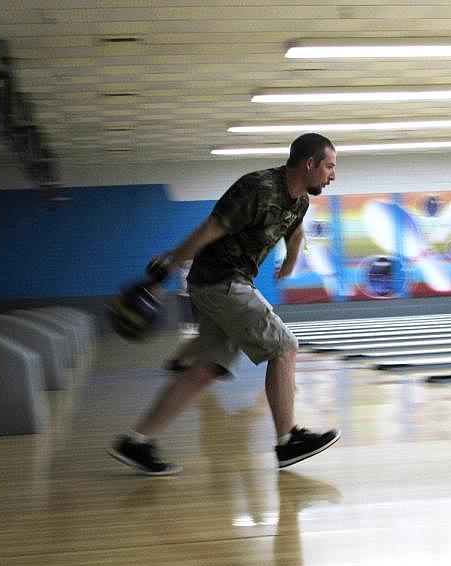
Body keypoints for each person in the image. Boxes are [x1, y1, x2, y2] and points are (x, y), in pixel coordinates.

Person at [109, 133, 340, 475]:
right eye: (330, 166)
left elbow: (295, 230)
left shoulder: (300, 201)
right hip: (221, 280)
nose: (332, 175)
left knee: (206, 369)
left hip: (227, 283)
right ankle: (288, 439)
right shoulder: (257, 187)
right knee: (285, 347)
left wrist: (290, 263)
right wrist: (171, 267)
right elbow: (212, 227)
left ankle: (138, 441)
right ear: (310, 164)